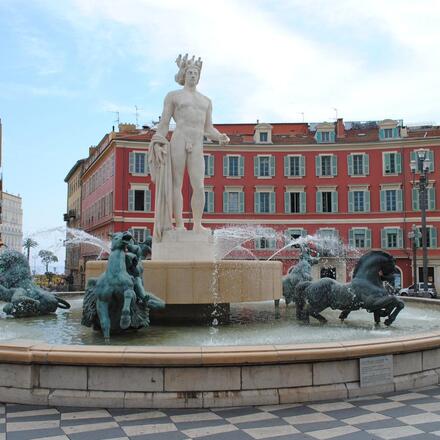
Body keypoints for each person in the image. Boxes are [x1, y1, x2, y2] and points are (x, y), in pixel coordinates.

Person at [148, 54, 230, 240]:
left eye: (196, 73)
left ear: (199, 77)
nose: (193, 75)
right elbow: (164, 122)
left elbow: (208, 128)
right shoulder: (173, 96)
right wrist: (159, 141)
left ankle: (198, 224)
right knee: (177, 184)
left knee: (199, 186)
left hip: (198, 143)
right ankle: (179, 224)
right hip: (179, 139)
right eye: (190, 72)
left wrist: (219, 136)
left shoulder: (206, 101)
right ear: (184, 75)